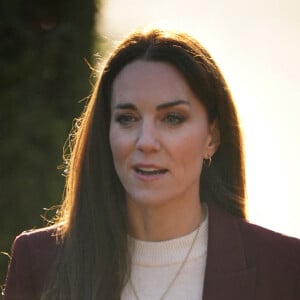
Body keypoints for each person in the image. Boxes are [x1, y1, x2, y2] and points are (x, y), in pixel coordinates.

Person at [3, 28, 300, 300]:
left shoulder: (284, 268)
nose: (146, 141)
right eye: (127, 119)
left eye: (172, 118)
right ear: (106, 132)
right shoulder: (39, 262)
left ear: (212, 137)